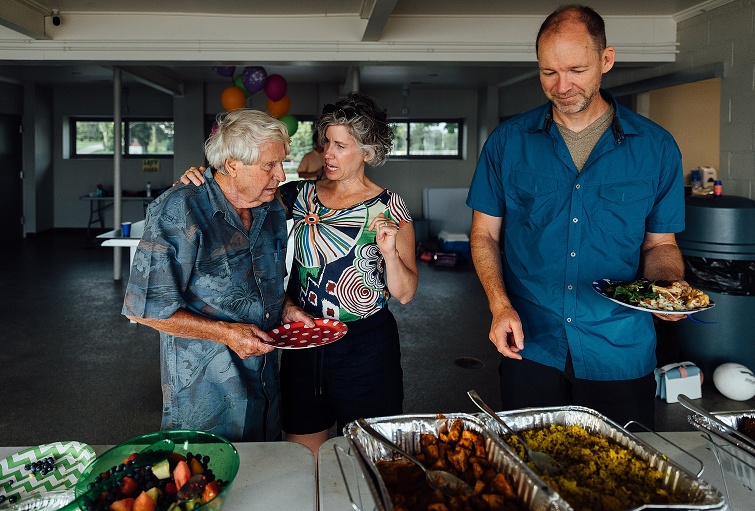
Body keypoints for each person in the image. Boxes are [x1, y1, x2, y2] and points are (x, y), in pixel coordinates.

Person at [466, 5, 686, 428]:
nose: (561, 85)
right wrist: (499, 305)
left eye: (576, 70)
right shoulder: (507, 143)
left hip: (618, 349)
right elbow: (484, 235)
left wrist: (667, 287)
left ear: (606, 60)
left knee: (619, 479)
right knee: (530, 472)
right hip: (530, 344)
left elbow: (660, 244)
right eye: (549, 72)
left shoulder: (656, 149)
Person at [181, 93, 418, 456]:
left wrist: (389, 253)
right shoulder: (295, 195)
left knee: (372, 455)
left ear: (369, 151)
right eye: (326, 143)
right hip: (303, 338)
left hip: (367, 346)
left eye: (340, 145)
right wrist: (201, 178)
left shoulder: (391, 207)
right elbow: (236, 191)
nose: (328, 154)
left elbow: (404, 293)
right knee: (300, 456)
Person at [123, 109, 313, 442]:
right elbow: (145, 309)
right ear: (232, 164)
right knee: (208, 481)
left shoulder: (269, 207)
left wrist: (285, 307)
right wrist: (227, 333)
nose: (281, 175)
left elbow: (258, 280)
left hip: (265, 380)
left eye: (281, 162)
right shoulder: (180, 210)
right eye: (269, 165)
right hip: (206, 390)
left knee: (263, 478)